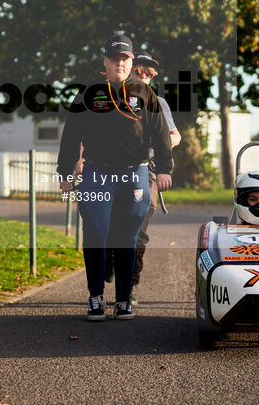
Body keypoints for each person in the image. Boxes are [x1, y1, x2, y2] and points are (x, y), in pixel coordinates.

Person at [57, 34, 173, 321]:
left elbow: (161, 136)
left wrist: (165, 169)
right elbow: (70, 136)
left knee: (127, 237)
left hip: (135, 173)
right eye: (114, 58)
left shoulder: (146, 95)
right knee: (95, 231)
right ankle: (96, 296)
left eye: (125, 58)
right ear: (105, 61)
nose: (119, 63)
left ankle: (123, 300)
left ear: (131, 61)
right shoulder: (88, 94)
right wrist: (65, 172)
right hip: (97, 173)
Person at [104, 53, 181, 304]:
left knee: (139, 228)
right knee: (109, 226)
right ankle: (110, 261)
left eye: (150, 73)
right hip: (111, 169)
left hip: (145, 170)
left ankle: (129, 288)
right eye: (140, 71)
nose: (144, 76)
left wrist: (160, 145)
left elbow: (175, 135)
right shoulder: (112, 97)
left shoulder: (158, 102)